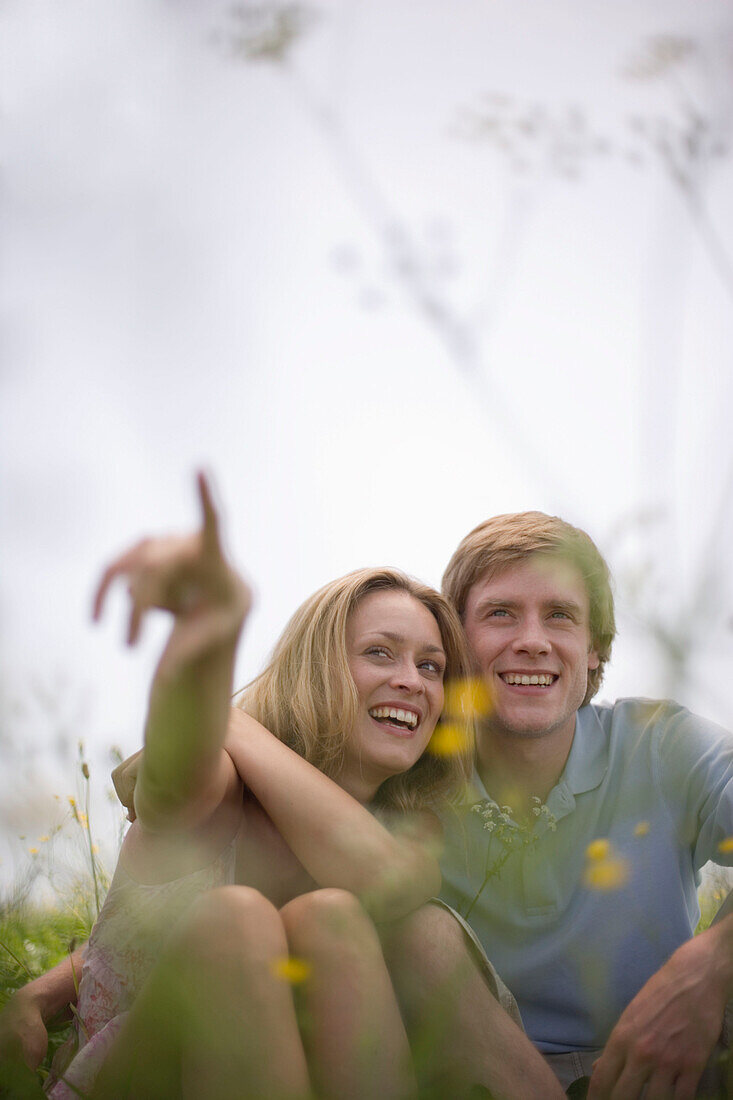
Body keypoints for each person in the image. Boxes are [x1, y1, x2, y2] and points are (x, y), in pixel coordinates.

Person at [0, 477, 563, 1099]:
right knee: (235, 918)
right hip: (141, 1074)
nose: (413, 682)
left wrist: (232, 717)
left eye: (431, 666)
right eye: (381, 653)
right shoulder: (225, 779)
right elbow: (171, 785)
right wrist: (208, 646)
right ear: (316, 667)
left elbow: (387, 878)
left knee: (331, 917)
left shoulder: (416, 825)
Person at [437, 509, 733, 1099]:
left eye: (560, 616)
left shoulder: (660, 743)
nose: (532, 641)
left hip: (667, 1068)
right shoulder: (414, 771)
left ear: (594, 649)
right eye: (500, 613)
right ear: (455, 642)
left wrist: (711, 966)